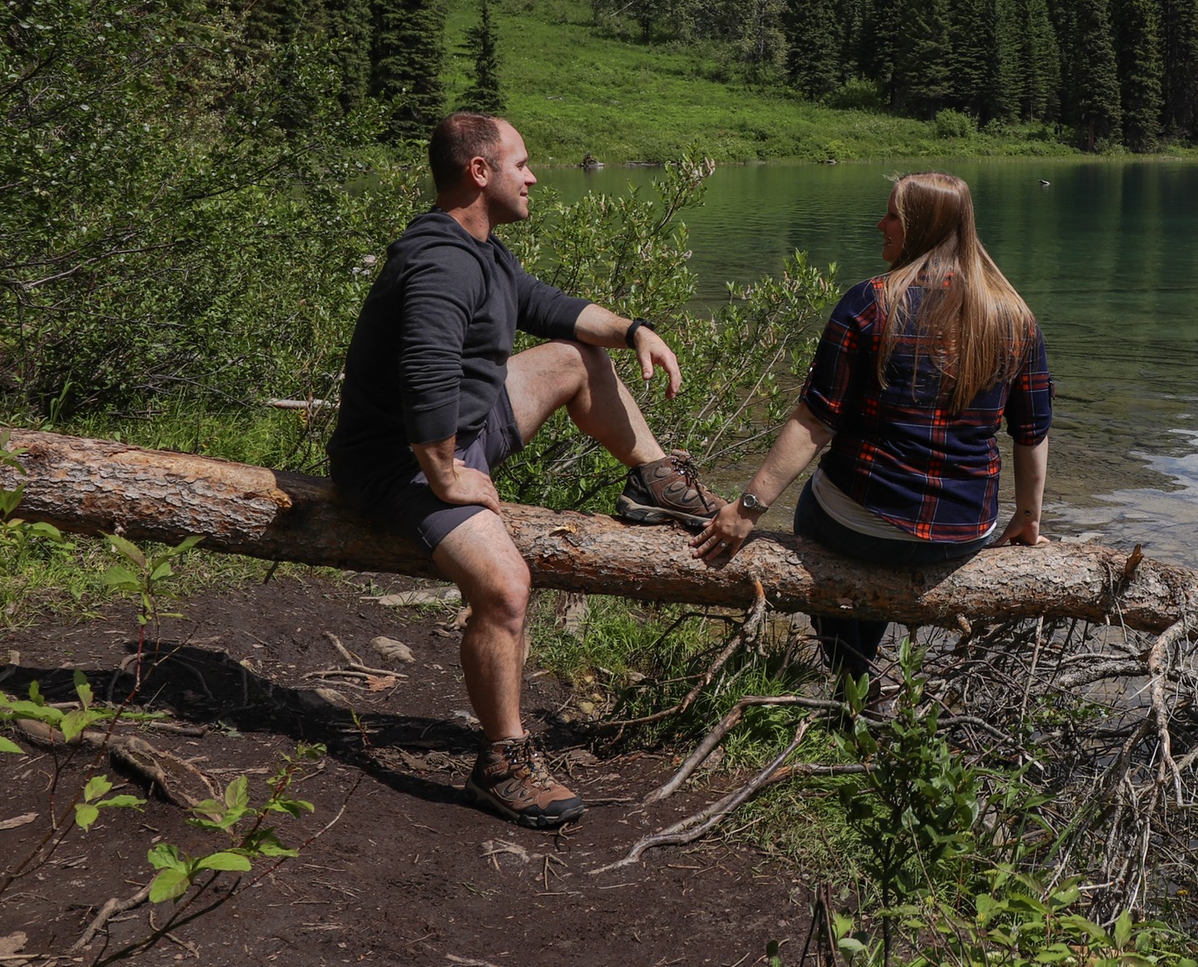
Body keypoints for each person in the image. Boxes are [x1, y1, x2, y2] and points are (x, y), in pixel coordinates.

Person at [328, 112, 724, 831]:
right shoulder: (440, 260)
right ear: (480, 172)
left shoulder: (483, 250)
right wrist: (446, 476)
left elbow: (551, 307)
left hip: (461, 432)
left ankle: (654, 479)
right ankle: (502, 761)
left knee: (575, 357)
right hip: (400, 464)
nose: (535, 176)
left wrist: (636, 330)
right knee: (507, 587)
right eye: (523, 164)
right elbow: (424, 373)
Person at [692, 172, 1051, 677]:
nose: (879, 224)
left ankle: (850, 680)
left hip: (857, 527)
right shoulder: (1015, 316)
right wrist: (1029, 517)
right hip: (964, 533)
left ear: (921, 227)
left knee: (822, 502)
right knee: (876, 521)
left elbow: (815, 422)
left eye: (893, 217)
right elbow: (1032, 433)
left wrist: (746, 509)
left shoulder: (870, 303)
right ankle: (861, 684)